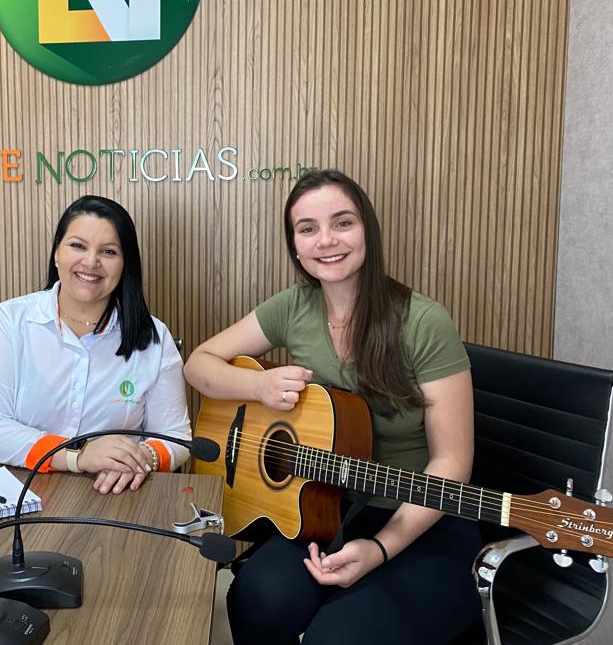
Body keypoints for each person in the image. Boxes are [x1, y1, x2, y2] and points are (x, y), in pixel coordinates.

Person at [183, 170, 481, 645]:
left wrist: (381, 549)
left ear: (368, 230)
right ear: (295, 245)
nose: (326, 241)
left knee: (337, 638)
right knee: (256, 600)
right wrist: (256, 388)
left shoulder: (424, 321)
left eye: (342, 223)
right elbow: (198, 365)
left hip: (423, 519)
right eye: (307, 229)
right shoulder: (292, 307)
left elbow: (452, 462)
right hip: (323, 508)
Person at [0, 195, 191, 495]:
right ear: (57, 252)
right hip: (17, 492)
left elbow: (175, 437)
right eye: (78, 246)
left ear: (125, 265)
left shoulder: (153, 338)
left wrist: (140, 458)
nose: (91, 262)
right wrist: (78, 457)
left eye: (108, 251)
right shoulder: (11, 321)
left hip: (114, 496)